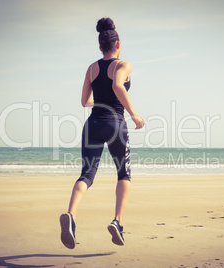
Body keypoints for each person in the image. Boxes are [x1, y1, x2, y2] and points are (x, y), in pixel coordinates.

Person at [60, 17, 145, 249]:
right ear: (118, 44)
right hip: (115, 124)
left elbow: (84, 101)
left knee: (87, 175)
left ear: (100, 47)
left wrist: (101, 101)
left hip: (93, 124)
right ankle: (117, 222)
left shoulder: (91, 68)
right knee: (123, 174)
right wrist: (134, 114)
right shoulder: (123, 65)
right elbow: (118, 86)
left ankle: (70, 215)